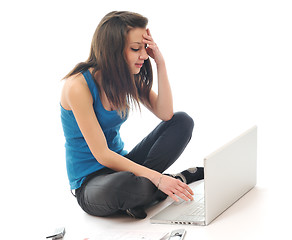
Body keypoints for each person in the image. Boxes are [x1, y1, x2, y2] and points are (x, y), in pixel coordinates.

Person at [60, 11, 203, 219]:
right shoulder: (77, 86)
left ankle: (144, 193)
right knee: (125, 185)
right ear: (112, 51)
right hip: (90, 183)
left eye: (144, 48)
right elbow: (102, 154)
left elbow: (165, 113)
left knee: (182, 122)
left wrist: (160, 63)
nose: (143, 55)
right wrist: (158, 178)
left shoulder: (125, 77)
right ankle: (168, 183)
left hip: (121, 165)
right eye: (136, 49)